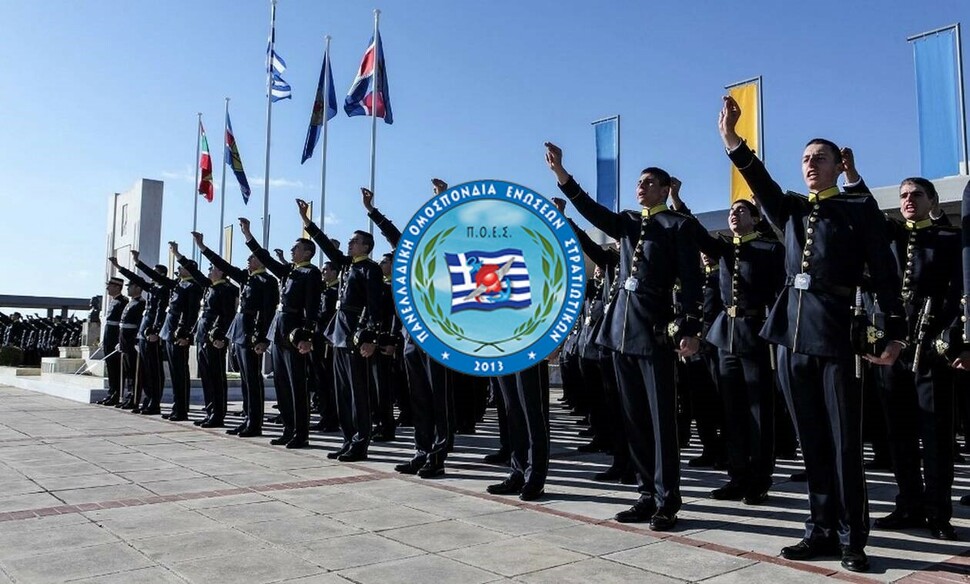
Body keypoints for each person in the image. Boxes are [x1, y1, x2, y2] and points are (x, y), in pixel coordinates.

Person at [718, 95, 905, 572]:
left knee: (844, 444)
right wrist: (733, 141)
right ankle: (819, 529)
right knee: (812, 442)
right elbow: (761, 182)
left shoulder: (858, 209)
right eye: (805, 158)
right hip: (792, 337)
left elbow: (885, 272)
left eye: (820, 158)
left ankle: (851, 537)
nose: (810, 165)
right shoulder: (792, 210)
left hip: (837, 336)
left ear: (838, 166)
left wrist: (895, 332)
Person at [545, 141, 703, 530]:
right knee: (633, 419)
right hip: (620, 333)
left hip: (654, 332)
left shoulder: (679, 226)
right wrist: (562, 174)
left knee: (661, 422)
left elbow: (691, 280)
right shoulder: (629, 222)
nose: (641, 187)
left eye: (649, 182)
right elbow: (591, 210)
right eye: (639, 182)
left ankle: (667, 500)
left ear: (665, 189)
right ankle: (646, 494)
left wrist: (689, 328)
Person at [671, 187, 785, 504]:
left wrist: (775, 335)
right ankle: (737, 476)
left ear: (756, 218)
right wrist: (678, 201)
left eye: (741, 210)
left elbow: (781, 296)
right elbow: (696, 231)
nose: (734, 215)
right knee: (731, 411)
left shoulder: (770, 249)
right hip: (726, 338)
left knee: (758, 412)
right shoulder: (724, 249)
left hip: (756, 334)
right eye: (731, 212)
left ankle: (759, 479)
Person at [865, 175, 963, 541]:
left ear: (932, 201)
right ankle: (908, 503)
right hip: (894, 349)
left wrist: (949, 339)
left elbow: (959, 295)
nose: (909, 200)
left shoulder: (950, 239)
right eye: (904, 195)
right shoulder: (890, 236)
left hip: (931, 348)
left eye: (917, 194)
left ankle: (938, 512)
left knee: (936, 435)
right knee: (899, 432)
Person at [363, 182, 452, 477]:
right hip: (412, 336)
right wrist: (372, 211)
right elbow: (392, 234)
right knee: (419, 399)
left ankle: (437, 457)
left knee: (438, 398)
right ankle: (421, 451)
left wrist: (441, 200)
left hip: (437, 334)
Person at [297, 199, 381, 461]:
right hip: (340, 332)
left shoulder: (370, 269)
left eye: (354, 242)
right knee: (342, 391)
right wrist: (307, 222)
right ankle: (348, 439)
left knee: (358, 393)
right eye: (350, 241)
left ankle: (360, 442)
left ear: (366, 246)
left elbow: (374, 306)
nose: (349, 244)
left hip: (355, 332)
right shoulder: (348, 265)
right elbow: (325, 245)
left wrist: (368, 336)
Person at [240, 217, 321, 449]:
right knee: (282, 384)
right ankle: (288, 428)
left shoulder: (311, 273)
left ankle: (301, 433)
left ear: (307, 253)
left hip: (295, 332)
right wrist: (248, 235)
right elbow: (265, 258)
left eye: (296, 249)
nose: (292, 251)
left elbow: (312, 307)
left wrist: (307, 336)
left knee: (297, 385)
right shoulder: (289, 272)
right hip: (279, 332)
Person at [193, 231, 278, 437]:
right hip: (239, 333)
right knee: (245, 381)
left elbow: (268, 312)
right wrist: (203, 248)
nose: (248, 260)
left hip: (251, 335)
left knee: (253, 380)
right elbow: (223, 264)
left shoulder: (267, 281)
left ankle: (255, 423)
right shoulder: (247, 279)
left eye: (252, 257)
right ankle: (248, 418)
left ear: (261, 260)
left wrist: (262, 338)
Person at [172, 242, 239, 428]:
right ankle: (211, 412)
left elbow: (227, 316)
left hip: (214, 339)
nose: (209, 271)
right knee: (207, 378)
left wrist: (221, 337)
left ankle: (218, 415)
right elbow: (195, 272)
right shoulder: (210, 287)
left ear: (221, 271)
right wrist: (178, 255)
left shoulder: (226, 290)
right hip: (203, 337)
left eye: (212, 268)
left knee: (216, 378)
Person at [137, 250, 203, 421]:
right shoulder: (178, 285)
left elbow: (191, 313)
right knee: (174, 374)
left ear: (190, 269)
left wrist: (185, 333)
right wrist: (138, 263)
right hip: (169, 332)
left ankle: (181, 409)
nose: (178, 270)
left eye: (182, 267)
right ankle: (177, 407)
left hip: (179, 334)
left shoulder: (193, 287)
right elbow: (157, 278)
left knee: (180, 373)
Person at [112, 254, 169, 415]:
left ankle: (155, 402)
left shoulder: (164, 289)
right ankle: (148, 399)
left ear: (161, 275)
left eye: (154, 273)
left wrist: (156, 330)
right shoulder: (152, 289)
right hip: (144, 333)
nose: (151, 276)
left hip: (152, 334)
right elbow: (137, 279)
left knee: (154, 370)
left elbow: (161, 312)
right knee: (147, 370)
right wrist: (120, 268)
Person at [96, 278, 129, 406]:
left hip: (115, 339)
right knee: (110, 368)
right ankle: (111, 393)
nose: (107, 288)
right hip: (109, 339)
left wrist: (119, 340)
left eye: (110, 286)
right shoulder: (113, 301)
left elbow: (121, 324)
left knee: (116, 369)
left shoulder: (123, 302)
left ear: (117, 287)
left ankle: (116, 395)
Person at [116, 279, 145, 410]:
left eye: (130, 286)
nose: (127, 289)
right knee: (127, 371)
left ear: (138, 288)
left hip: (132, 341)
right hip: (125, 340)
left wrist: (136, 340)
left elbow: (139, 323)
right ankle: (127, 397)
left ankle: (134, 399)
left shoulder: (141, 303)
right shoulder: (130, 303)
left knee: (134, 372)